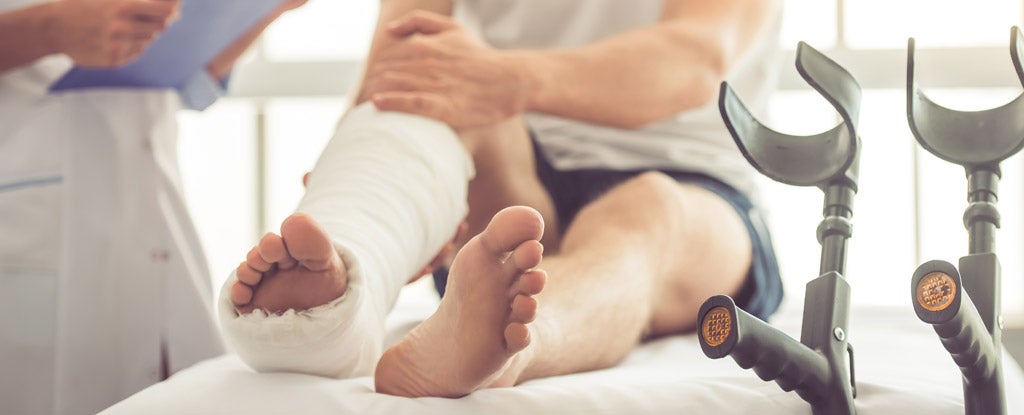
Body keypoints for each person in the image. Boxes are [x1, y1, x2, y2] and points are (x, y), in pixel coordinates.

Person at [220, 0, 785, 398]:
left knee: (650, 210)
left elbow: (695, 57)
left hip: (693, 184)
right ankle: (341, 293)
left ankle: (507, 344)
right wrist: (365, 161)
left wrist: (510, 79)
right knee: (425, 92)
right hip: (511, 178)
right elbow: (403, 62)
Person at [0, 0, 305, 413]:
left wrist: (265, 10)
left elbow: (188, 86)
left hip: (153, 209)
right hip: (30, 211)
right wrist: (49, 28)